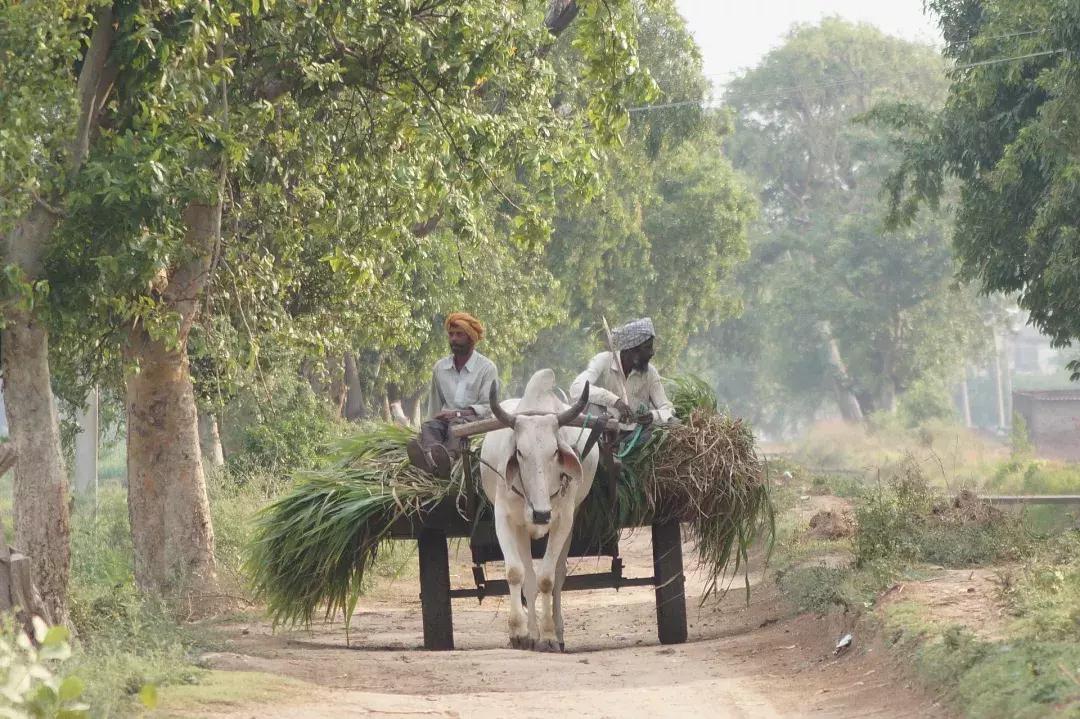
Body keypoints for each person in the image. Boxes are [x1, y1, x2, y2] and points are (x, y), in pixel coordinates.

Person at [407, 312, 498, 478]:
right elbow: (434, 405)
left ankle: (447, 460)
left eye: (459, 334)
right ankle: (429, 459)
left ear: (471, 337)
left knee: (456, 426)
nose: (454, 339)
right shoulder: (440, 368)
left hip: (473, 423)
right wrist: (433, 420)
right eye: (451, 334)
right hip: (445, 422)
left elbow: (487, 407)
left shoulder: (487, 368)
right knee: (430, 427)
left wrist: (456, 413)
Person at [569, 317, 675, 429]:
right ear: (631, 349)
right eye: (647, 348)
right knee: (593, 406)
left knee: (674, 423)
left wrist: (653, 415)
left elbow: (667, 408)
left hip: (634, 437)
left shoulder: (650, 373)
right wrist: (615, 401)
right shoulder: (603, 361)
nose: (652, 353)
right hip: (598, 435)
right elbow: (576, 388)